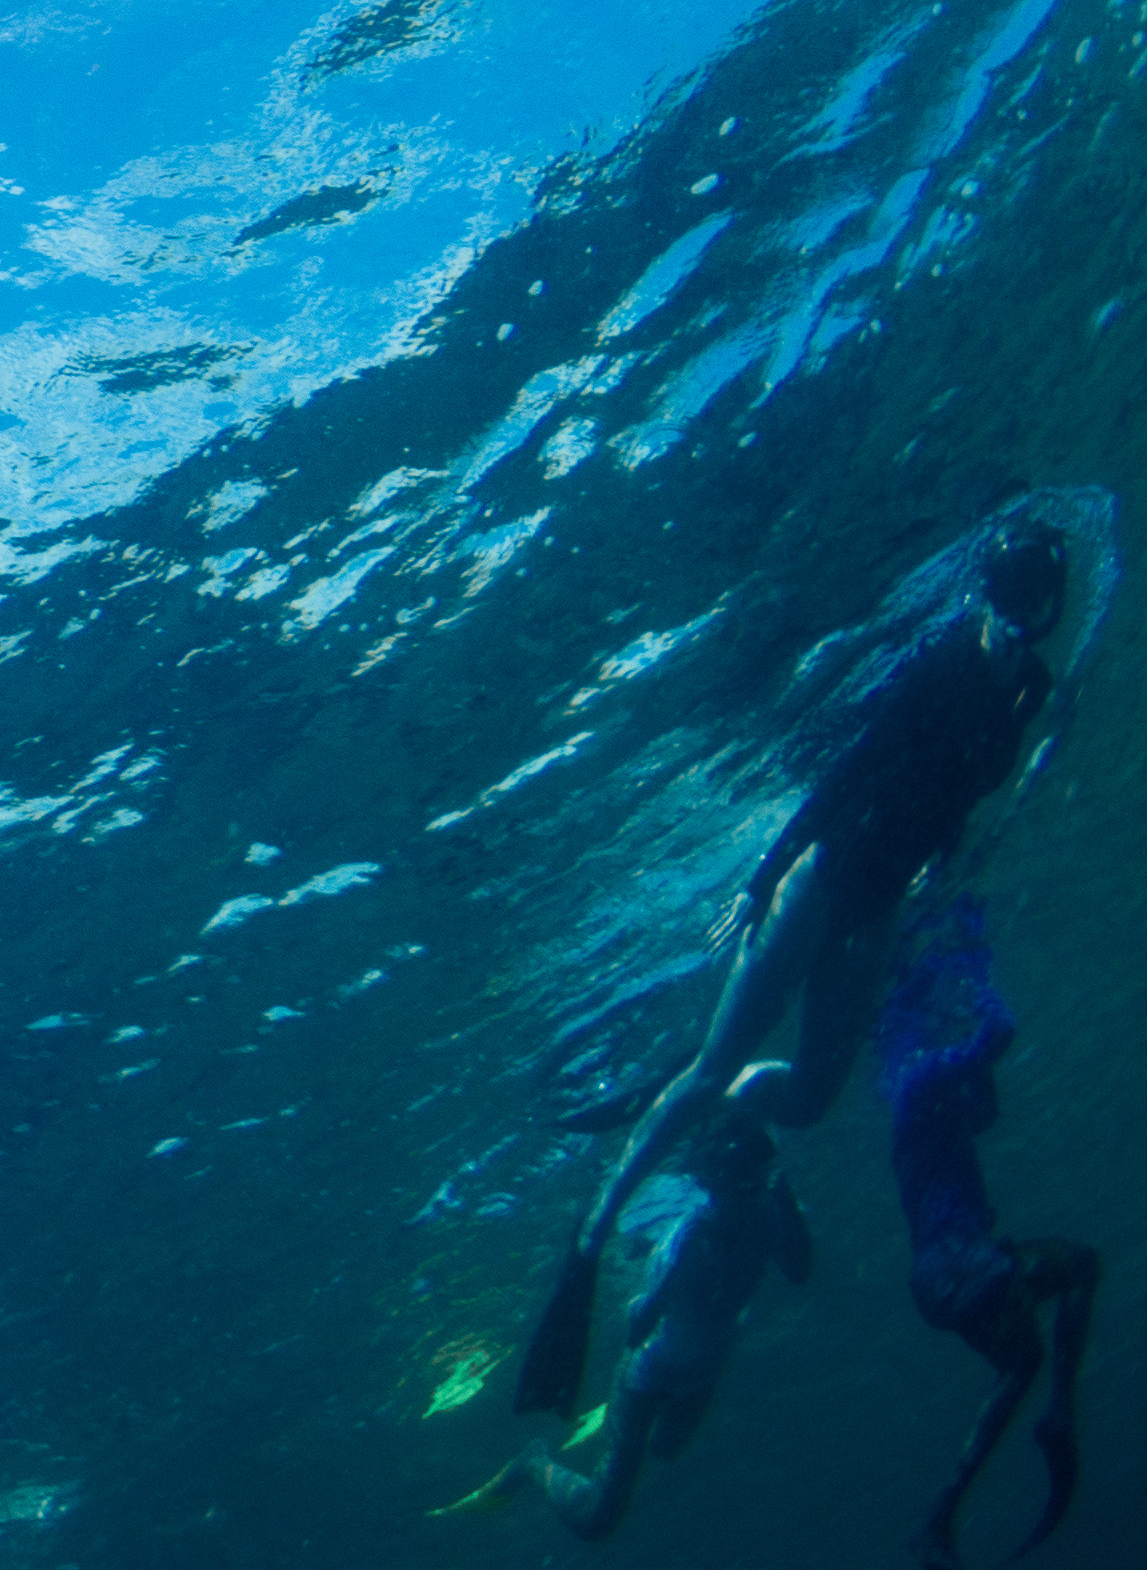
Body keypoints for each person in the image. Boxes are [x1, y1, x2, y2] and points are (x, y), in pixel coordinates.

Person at [516, 519, 1072, 1409]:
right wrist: (763, 878)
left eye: (1037, 604)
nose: (1020, 619)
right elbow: (848, 773)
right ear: (987, 592)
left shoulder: (1030, 690)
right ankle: (593, 1235)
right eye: (1009, 597)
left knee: (810, 1098)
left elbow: (963, 802)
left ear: (1050, 608)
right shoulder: (941, 663)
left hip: (877, 908)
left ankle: (715, 1102)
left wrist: (939, 876)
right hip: (822, 878)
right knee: (715, 1064)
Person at [444, 1095, 808, 1540]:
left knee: (667, 1450)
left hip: (694, 1368)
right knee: (598, 1517)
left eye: (751, 1182)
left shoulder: (758, 1215)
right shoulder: (696, 1235)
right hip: (651, 1374)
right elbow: (640, 1324)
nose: (742, 1193)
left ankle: (613, 1448)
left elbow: (796, 1272)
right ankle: (533, 1463)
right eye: (741, 1183)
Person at [880, 895, 1097, 1565]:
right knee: (1079, 1265)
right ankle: (1059, 1415)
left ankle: (938, 1518)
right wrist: (975, 971)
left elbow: (985, 1114)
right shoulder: (916, 1075)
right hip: (957, 1263)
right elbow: (997, 1033)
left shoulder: (924, 1089)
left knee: (1022, 1361)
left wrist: (967, 1030)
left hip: (947, 1271)